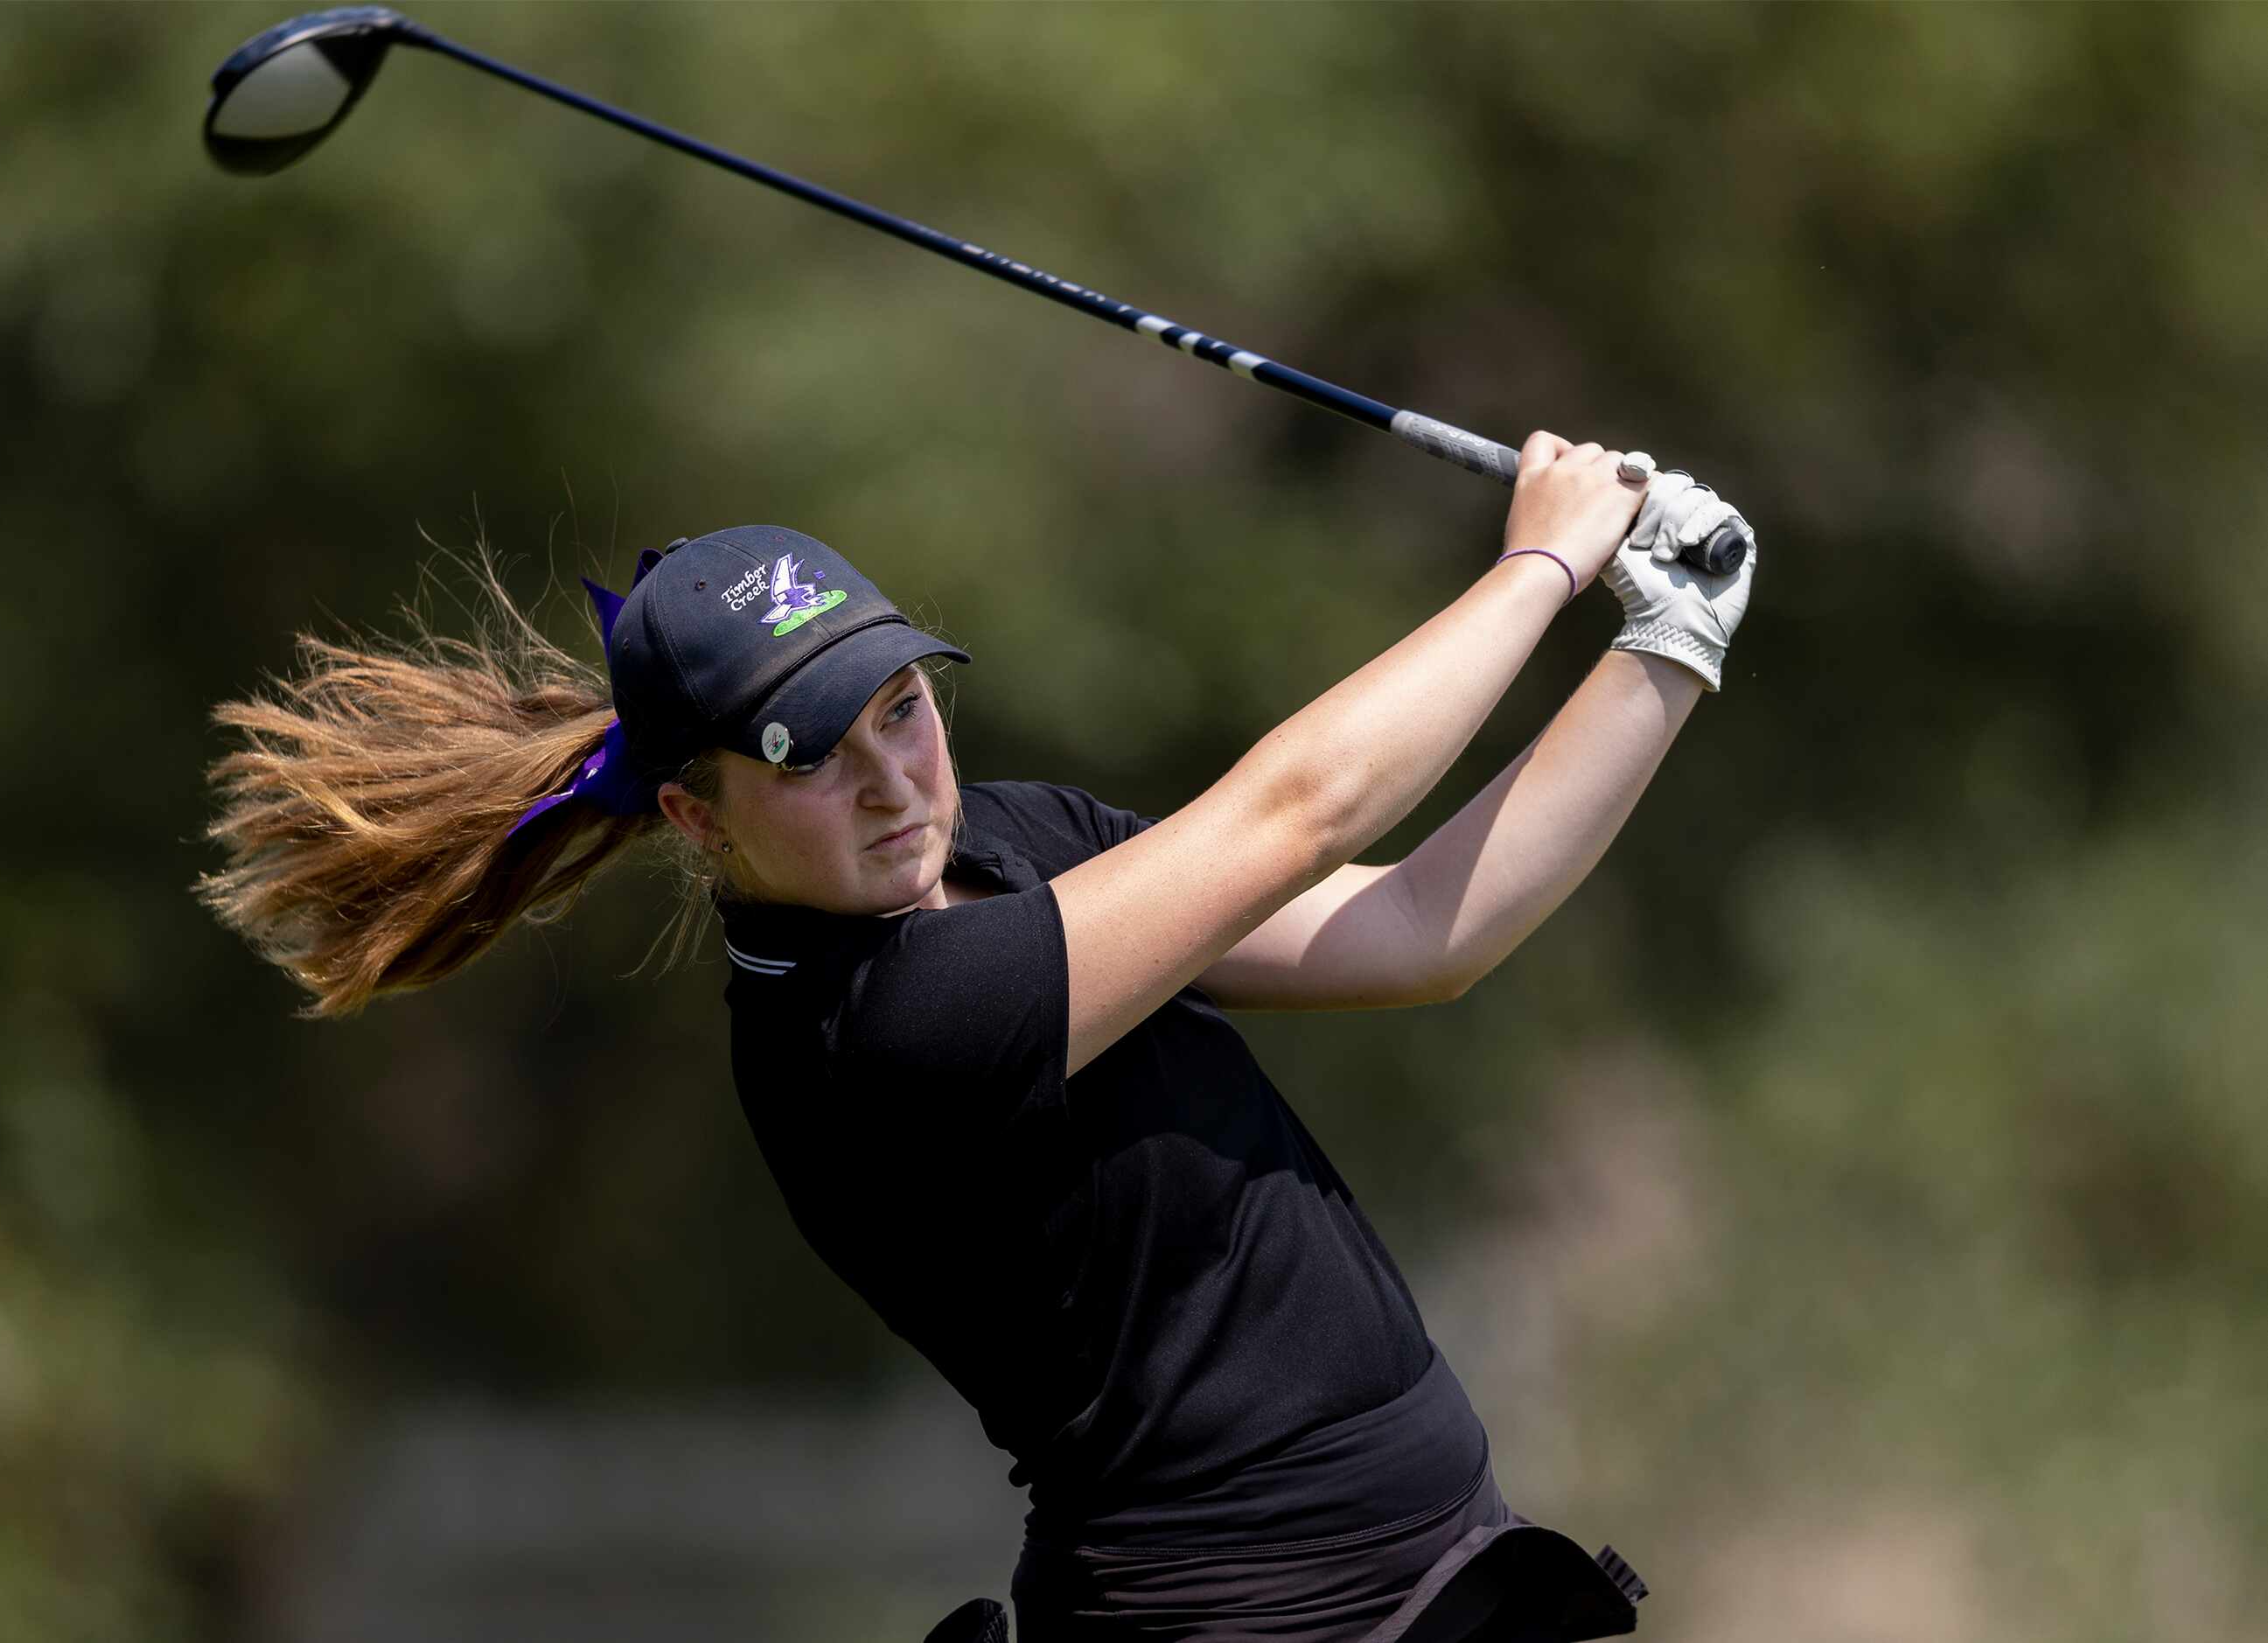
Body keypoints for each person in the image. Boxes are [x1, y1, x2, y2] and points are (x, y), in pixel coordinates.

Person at [198, 433, 1756, 1642]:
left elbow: (1419, 930)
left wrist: (1665, 645)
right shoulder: (871, 1028)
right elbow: (1294, 814)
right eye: (812, 752)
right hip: (1243, 1612)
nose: (889, 776)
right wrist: (1541, 568)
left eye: (899, 703)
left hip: (1423, 1566)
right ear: (697, 813)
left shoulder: (1008, 840)